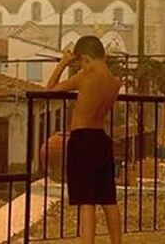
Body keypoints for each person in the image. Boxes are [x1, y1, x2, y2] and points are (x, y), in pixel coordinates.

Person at [47, 36, 122, 244]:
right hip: (102, 140)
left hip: (82, 140)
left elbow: (50, 88)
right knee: (109, 199)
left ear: (86, 59)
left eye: (80, 61)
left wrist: (63, 63)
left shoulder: (84, 77)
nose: (80, 65)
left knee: (86, 202)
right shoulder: (115, 83)